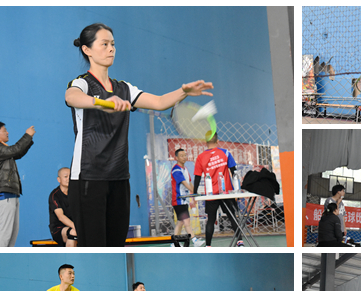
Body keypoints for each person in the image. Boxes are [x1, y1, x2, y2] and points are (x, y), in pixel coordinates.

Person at [65, 23, 213, 246]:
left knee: (116, 246)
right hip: (88, 178)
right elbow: (71, 97)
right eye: (104, 44)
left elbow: (160, 102)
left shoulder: (124, 89)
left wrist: (183, 91)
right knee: (94, 247)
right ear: (87, 50)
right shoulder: (82, 84)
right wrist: (103, 102)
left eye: (112, 44)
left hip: (119, 177)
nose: (111, 49)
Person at [0, 122, 36, 247]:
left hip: (12, 194)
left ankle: (8, 253)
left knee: (13, 231)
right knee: (5, 231)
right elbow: (14, 150)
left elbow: (17, 153)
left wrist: (29, 140)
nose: (7, 132)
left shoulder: (2, 148)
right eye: (4, 130)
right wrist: (27, 136)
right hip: (5, 194)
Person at [193, 133, 241, 247]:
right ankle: (240, 243)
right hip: (227, 193)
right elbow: (234, 172)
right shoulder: (225, 153)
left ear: (205, 141)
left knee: (211, 219)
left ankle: (208, 246)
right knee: (232, 217)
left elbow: (197, 177)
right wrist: (237, 190)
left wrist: (194, 193)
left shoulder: (200, 157)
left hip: (211, 194)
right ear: (217, 141)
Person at [171, 148, 204, 247]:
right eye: (181, 156)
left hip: (184, 200)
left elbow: (189, 182)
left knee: (180, 222)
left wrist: (195, 194)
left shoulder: (185, 169)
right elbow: (184, 183)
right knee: (186, 222)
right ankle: (194, 241)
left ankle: (174, 244)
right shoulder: (176, 170)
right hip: (178, 200)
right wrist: (193, 193)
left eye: (185, 155)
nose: (184, 157)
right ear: (176, 158)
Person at [48, 167, 77, 247]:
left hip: (74, 226)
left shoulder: (76, 193)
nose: (68, 179)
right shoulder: (54, 195)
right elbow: (61, 217)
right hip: (59, 229)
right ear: (59, 179)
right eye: (65, 177)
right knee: (73, 232)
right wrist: (77, 227)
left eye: (70, 176)